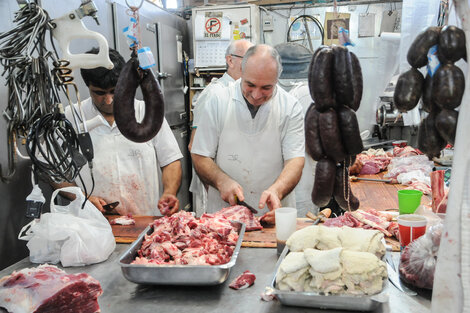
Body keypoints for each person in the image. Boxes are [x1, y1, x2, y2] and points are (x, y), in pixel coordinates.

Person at [53, 48, 183, 216]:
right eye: (99, 93)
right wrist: (82, 197)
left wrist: (169, 192)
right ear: (88, 86)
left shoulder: (147, 113)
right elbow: (53, 171)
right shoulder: (71, 117)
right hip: (95, 222)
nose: (108, 100)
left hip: (144, 219)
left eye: (114, 91)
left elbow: (170, 161)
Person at [191, 44, 305, 224]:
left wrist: (277, 190)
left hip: (272, 216)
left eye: (266, 88)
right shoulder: (218, 101)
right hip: (224, 220)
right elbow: (200, 155)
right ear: (241, 73)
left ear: (277, 79)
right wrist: (222, 181)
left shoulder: (290, 107)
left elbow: (295, 160)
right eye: (250, 85)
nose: (257, 95)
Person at [188, 40, 253, 216]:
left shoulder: (246, 93)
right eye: (247, 58)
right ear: (230, 61)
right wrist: (215, 184)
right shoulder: (213, 94)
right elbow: (194, 145)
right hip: (216, 188)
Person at [288, 82, 319, 217]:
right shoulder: (307, 96)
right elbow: (313, 147)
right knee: (301, 226)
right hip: (299, 182)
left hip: (308, 177)